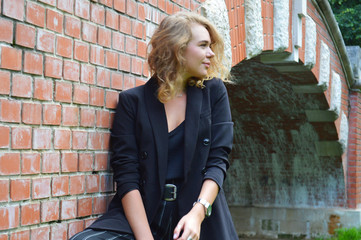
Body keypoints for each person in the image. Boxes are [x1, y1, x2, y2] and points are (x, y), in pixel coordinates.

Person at [70, 11, 238, 240]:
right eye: (203, 45)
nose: (211, 53)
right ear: (178, 50)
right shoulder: (132, 102)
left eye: (211, 46)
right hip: (143, 215)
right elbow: (127, 176)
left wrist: (198, 213)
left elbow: (218, 161)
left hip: (196, 215)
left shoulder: (214, 92)